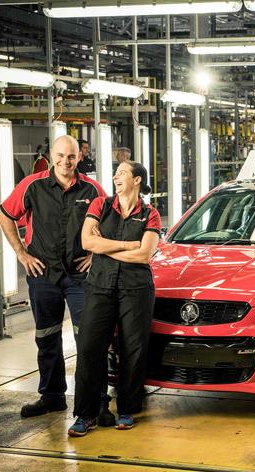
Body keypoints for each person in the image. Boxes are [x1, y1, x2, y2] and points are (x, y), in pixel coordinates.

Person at [0, 135, 107, 417]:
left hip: (80, 276)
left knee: (90, 339)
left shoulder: (93, 190)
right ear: (50, 156)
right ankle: (52, 396)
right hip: (43, 273)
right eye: (60, 156)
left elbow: (111, 223)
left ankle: (95, 400)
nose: (65, 162)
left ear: (79, 158)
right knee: (47, 337)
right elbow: (5, 215)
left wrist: (95, 255)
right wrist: (21, 253)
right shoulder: (32, 185)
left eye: (71, 157)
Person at [69, 162, 160, 436]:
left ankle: (127, 410)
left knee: (133, 350)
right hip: (100, 286)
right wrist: (127, 245)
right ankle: (86, 414)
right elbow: (87, 242)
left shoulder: (150, 214)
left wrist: (105, 248)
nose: (114, 177)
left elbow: (145, 255)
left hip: (136, 289)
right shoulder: (100, 205)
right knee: (88, 348)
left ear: (137, 180)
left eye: (121, 173)